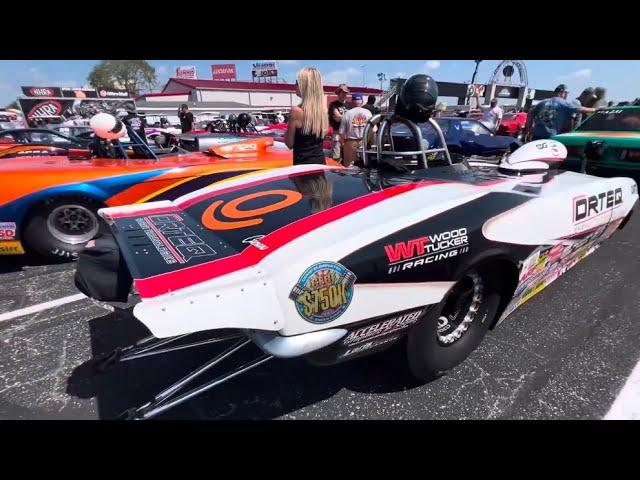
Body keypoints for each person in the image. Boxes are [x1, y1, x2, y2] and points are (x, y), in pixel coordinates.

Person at [284, 67, 328, 165]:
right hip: (320, 163)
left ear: (305, 85)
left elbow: (289, 144)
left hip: (303, 166)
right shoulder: (323, 111)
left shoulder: (296, 111)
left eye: (297, 82)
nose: (295, 85)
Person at [526, 84, 599, 140]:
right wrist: (596, 109)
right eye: (566, 93)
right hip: (551, 137)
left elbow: (530, 113)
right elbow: (582, 109)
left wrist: (529, 128)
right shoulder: (563, 103)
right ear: (562, 92)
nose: (566, 96)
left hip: (536, 136)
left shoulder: (542, 102)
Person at [338, 93, 373, 167]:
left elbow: (341, 133)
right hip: (364, 143)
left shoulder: (348, 113)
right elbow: (374, 130)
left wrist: (343, 145)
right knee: (365, 167)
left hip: (350, 143)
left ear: (352, 102)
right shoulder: (368, 113)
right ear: (362, 102)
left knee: (349, 169)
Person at [328, 84, 349, 161]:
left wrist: (341, 117)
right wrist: (347, 118)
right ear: (338, 93)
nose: (345, 94)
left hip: (348, 134)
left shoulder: (349, 105)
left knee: (348, 158)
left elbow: (340, 118)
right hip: (337, 133)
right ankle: (336, 173)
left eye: (346, 92)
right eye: (343, 92)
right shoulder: (333, 104)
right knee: (336, 157)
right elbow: (337, 118)